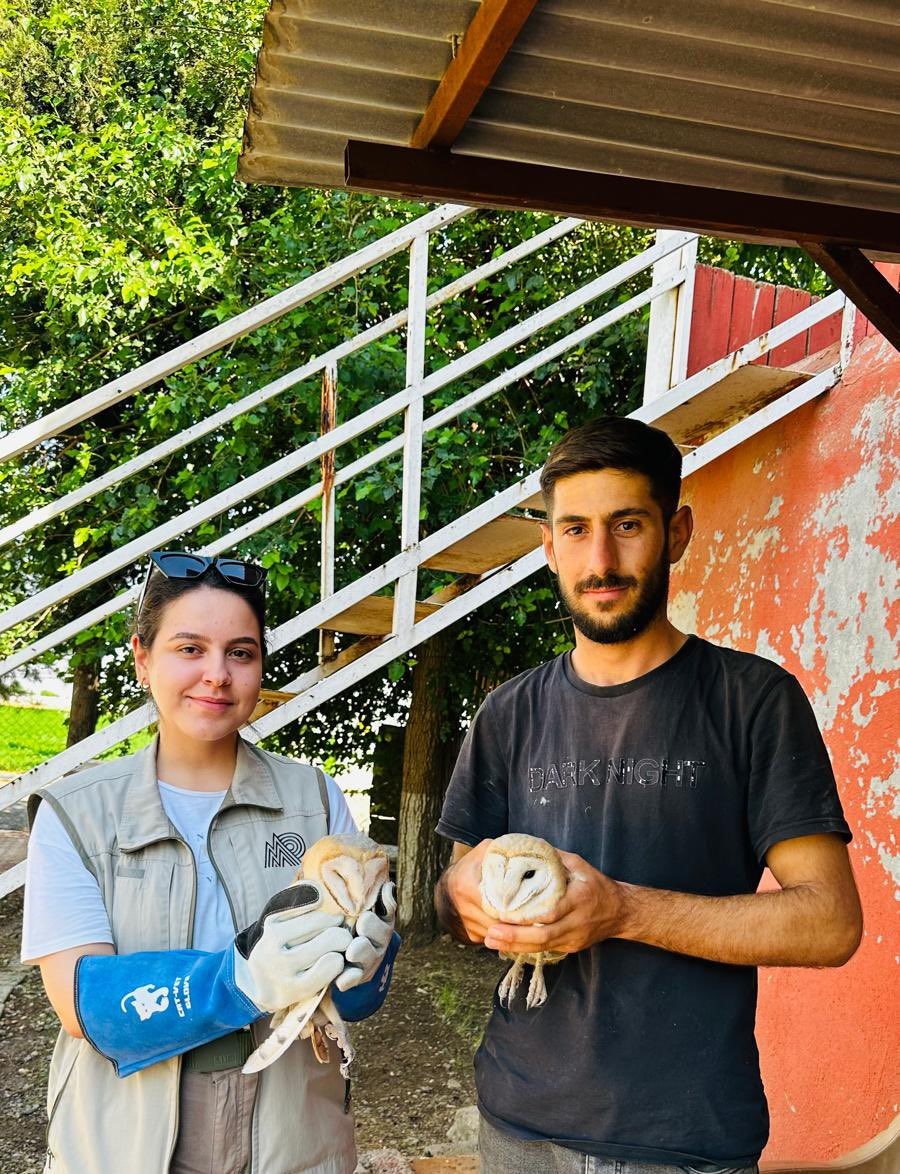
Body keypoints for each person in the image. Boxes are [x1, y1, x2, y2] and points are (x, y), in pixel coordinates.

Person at [434, 416, 862, 1173]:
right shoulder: (508, 714)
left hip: (686, 1138)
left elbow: (828, 922)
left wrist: (624, 910)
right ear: (549, 548)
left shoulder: (751, 701)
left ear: (678, 531)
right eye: (575, 530)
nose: (600, 560)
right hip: (516, 1125)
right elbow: (452, 901)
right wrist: (463, 897)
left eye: (627, 525)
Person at [22, 550, 399, 1174]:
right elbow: (82, 1001)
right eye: (189, 649)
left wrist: (369, 968)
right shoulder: (75, 815)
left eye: (241, 653)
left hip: (292, 1140)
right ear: (143, 659)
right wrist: (240, 981)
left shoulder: (314, 801)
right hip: (127, 1143)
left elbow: (356, 979)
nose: (217, 675)